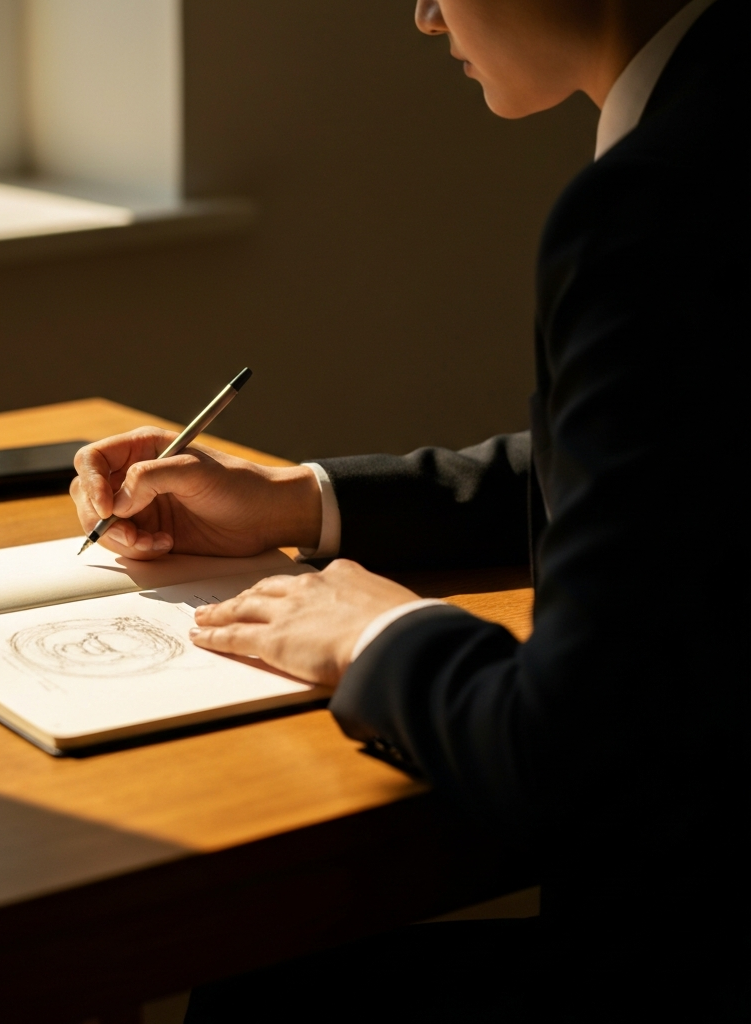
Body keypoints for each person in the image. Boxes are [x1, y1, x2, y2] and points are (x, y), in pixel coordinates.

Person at [72, 0, 746, 1018]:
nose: (425, 16)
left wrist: (375, 634)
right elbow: (682, 467)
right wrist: (292, 503)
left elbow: (569, 752)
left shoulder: (656, 201)